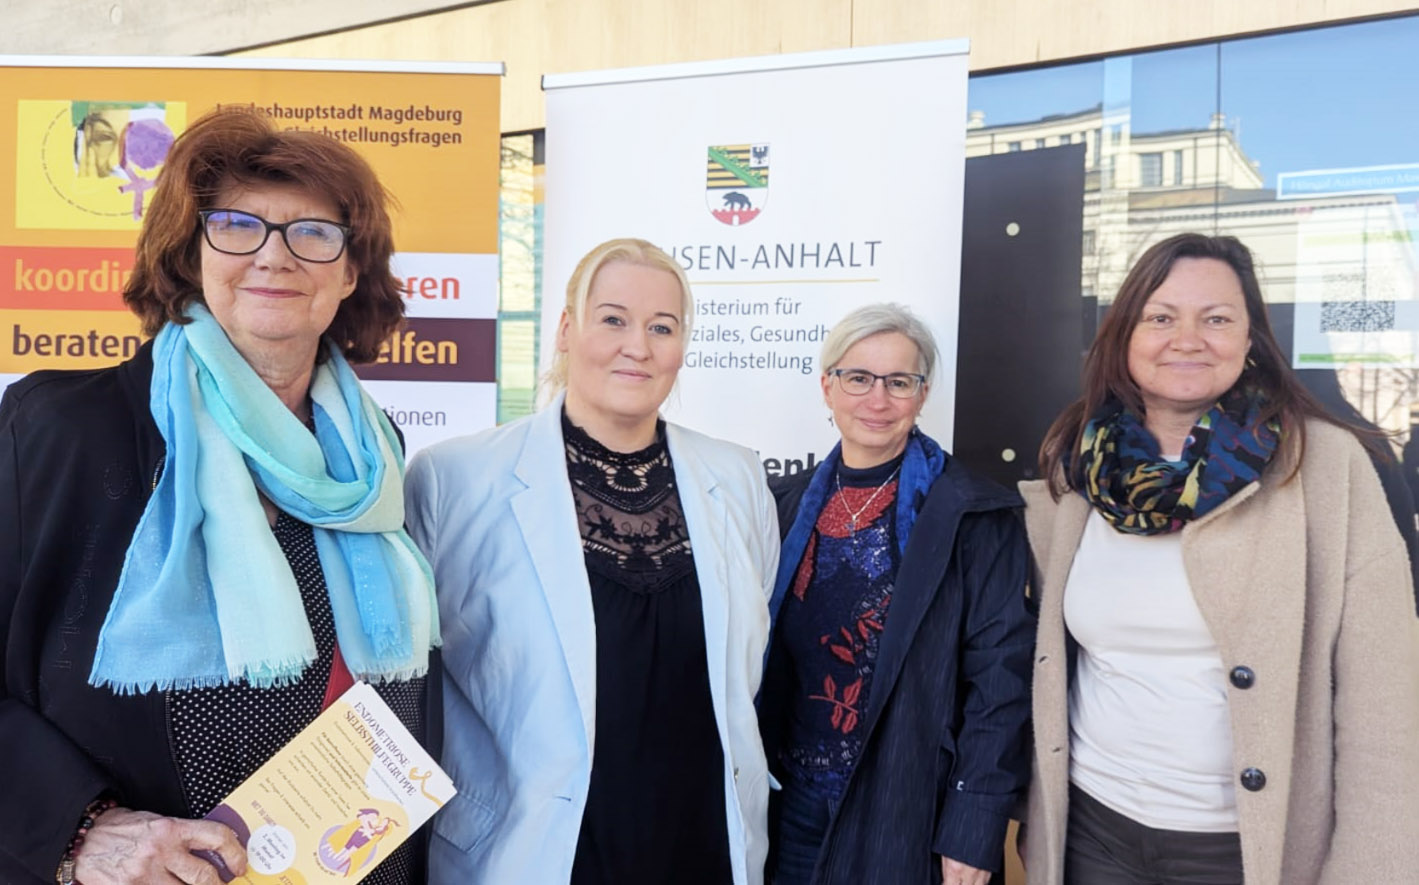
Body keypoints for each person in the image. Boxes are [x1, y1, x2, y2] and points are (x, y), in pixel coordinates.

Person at [0, 108, 439, 885]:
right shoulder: (64, 426)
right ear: (190, 255)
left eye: (313, 232)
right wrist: (83, 831)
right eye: (237, 226)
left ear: (349, 273)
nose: (274, 255)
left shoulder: (374, 453)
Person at [1022, 232, 1419, 885]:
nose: (1187, 339)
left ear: (1250, 337)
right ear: (1124, 337)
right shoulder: (1081, 465)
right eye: (1160, 318)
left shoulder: (1324, 465)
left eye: (1215, 319)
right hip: (1092, 833)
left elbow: (1382, 705)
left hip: (1243, 850)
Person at [405, 238, 779, 884]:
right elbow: (405, 682)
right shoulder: (454, 479)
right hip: (527, 853)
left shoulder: (738, 476)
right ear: (565, 330)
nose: (638, 346)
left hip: (704, 848)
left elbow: (746, 664)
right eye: (613, 319)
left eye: (661, 327)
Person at [759, 303, 1034, 885]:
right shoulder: (780, 506)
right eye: (858, 378)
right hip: (791, 806)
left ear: (922, 393)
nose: (877, 400)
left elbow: (1001, 682)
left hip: (909, 815)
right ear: (827, 386)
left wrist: (973, 824)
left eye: (899, 382)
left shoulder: (973, 515)